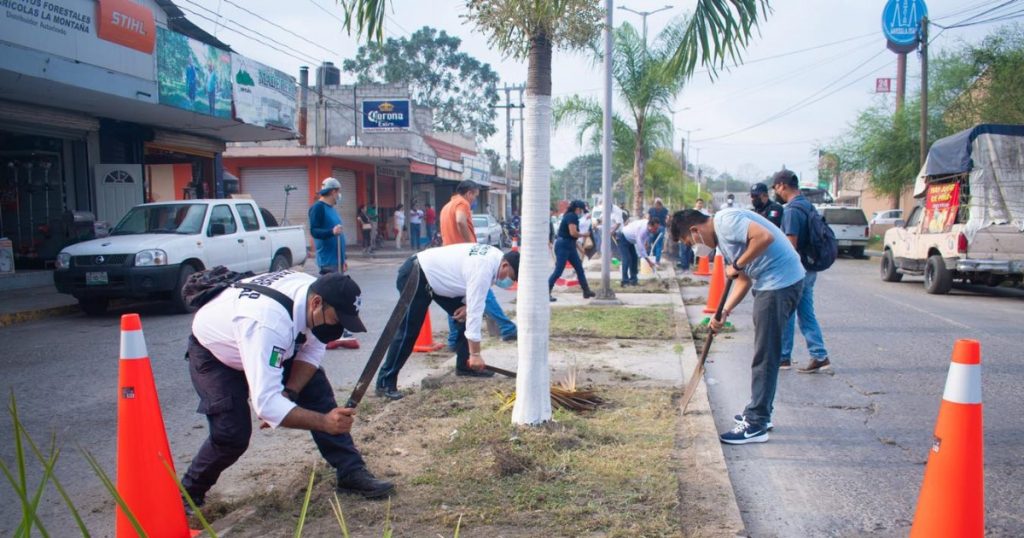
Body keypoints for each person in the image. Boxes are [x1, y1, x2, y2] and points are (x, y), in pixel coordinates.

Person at [181, 270, 395, 504]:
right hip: (217, 354)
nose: (337, 330)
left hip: (262, 339)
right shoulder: (268, 325)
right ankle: (187, 495)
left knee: (316, 389)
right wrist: (325, 422)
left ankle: (351, 471)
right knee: (231, 433)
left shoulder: (315, 294)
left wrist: (290, 393)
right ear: (316, 303)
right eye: (337, 320)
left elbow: (312, 350)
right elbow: (267, 405)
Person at [671, 208, 804, 444]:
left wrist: (739, 264)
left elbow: (763, 237)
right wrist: (723, 311)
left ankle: (756, 422)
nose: (694, 249)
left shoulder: (726, 221)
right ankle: (762, 412)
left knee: (765, 354)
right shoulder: (723, 242)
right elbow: (742, 280)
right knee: (764, 352)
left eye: (689, 242)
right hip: (771, 283)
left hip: (780, 283)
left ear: (695, 230)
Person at [375, 245, 520, 399]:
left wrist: (467, 306)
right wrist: (475, 354)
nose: (509, 282)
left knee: (463, 316)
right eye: (511, 277)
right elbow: (475, 314)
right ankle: (385, 383)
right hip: (416, 274)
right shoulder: (484, 268)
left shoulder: (495, 259)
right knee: (408, 331)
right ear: (505, 265)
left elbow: (470, 287)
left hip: (437, 281)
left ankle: (465, 365)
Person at [440, 181, 517, 344]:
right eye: (475, 195)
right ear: (469, 193)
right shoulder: (462, 203)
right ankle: (507, 328)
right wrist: (472, 245)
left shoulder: (446, 206)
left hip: (452, 258)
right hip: (465, 257)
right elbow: (460, 221)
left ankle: (453, 340)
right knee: (484, 294)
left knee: (456, 300)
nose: (475, 199)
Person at [772, 169, 831, 373]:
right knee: (805, 312)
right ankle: (819, 354)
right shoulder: (807, 205)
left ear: (782, 185)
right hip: (810, 266)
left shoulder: (791, 210)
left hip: (796, 269)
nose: (776, 192)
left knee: (787, 312)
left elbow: (790, 244)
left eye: (776, 187)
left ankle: (783, 357)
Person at [548, 200, 596, 301]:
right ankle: (546, 291)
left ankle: (586, 291)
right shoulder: (571, 216)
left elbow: (572, 238)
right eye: (581, 210)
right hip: (563, 245)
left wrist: (581, 250)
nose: (581, 212)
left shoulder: (571, 216)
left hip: (570, 245)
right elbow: (573, 233)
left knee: (579, 268)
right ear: (577, 209)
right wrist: (584, 235)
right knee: (559, 270)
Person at [308, 177, 345, 275]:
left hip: (337, 260)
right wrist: (332, 232)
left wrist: (343, 259)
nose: (339, 194)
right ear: (333, 192)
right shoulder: (318, 208)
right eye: (338, 191)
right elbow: (314, 231)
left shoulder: (331, 208)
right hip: (328, 261)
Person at [616, 217, 660, 286]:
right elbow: (641, 249)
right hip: (622, 237)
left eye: (657, 228)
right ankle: (625, 282)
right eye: (655, 228)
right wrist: (649, 261)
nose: (656, 230)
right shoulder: (642, 230)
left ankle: (633, 281)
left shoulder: (648, 226)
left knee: (634, 258)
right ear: (650, 226)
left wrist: (645, 242)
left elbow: (645, 238)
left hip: (630, 240)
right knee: (627, 259)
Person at [648, 198, 670, 263]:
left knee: (654, 243)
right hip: (658, 227)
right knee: (657, 244)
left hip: (656, 227)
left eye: (658, 204)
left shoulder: (652, 209)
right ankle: (656, 260)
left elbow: (648, 218)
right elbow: (667, 219)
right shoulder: (664, 210)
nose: (657, 205)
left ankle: (654, 259)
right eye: (657, 204)